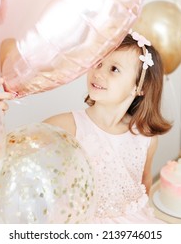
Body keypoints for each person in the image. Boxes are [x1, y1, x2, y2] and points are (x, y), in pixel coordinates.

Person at [42, 30, 172, 223]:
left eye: (114, 69)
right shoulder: (64, 127)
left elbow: (144, 182)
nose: (99, 73)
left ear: (140, 87)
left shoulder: (146, 139)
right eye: (98, 63)